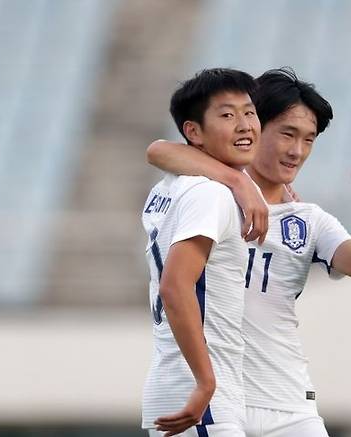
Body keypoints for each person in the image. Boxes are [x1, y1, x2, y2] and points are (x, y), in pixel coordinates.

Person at [146, 67, 351, 437]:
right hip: (224, 392)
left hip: (288, 397)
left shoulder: (307, 219)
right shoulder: (210, 196)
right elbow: (159, 150)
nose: (297, 150)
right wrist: (236, 181)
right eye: (288, 134)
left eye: (309, 140)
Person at [141, 68, 261, 437]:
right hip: (200, 394)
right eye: (227, 115)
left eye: (250, 112)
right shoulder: (210, 194)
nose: (244, 125)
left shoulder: (175, 184)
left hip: (177, 380)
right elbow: (175, 287)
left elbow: (159, 150)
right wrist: (206, 383)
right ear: (193, 132)